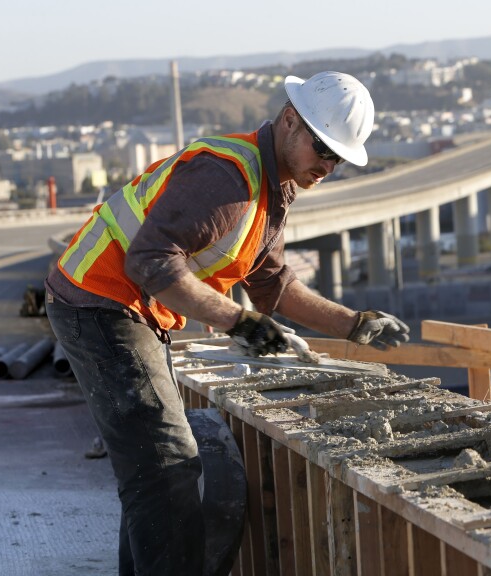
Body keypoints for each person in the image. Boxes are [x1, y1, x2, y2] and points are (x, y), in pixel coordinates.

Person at [45, 70, 409, 575]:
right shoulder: (229, 180)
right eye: (322, 149)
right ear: (288, 121)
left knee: (156, 476)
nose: (328, 165)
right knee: (167, 469)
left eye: (339, 158)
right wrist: (241, 323)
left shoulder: (269, 189)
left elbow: (274, 285)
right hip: (100, 302)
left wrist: (353, 323)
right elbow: (151, 264)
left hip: (126, 309)